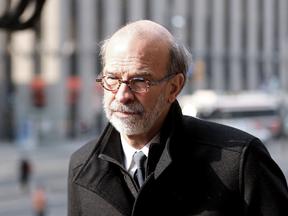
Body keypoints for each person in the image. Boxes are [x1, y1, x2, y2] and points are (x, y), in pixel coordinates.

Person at [68, 20, 288, 216]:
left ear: (174, 87)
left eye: (139, 81)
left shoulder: (241, 161)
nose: (122, 95)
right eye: (112, 78)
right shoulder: (82, 166)